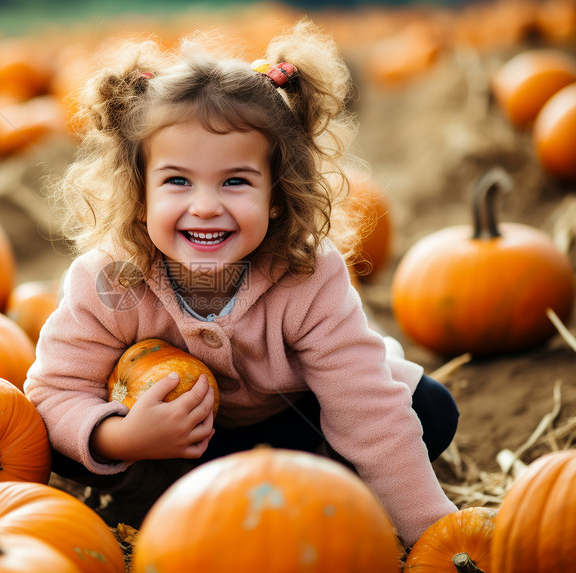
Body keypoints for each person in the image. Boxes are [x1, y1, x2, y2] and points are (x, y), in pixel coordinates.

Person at [24, 20, 459, 548]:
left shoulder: (309, 274)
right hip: (179, 444)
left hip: (299, 425)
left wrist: (433, 533)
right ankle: (181, 502)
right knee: (60, 442)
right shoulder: (108, 279)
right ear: (140, 193)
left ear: (277, 194)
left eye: (235, 181)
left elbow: (366, 407)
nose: (205, 205)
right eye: (177, 180)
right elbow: (54, 390)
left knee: (427, 409)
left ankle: (318, 491)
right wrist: (122, 435)